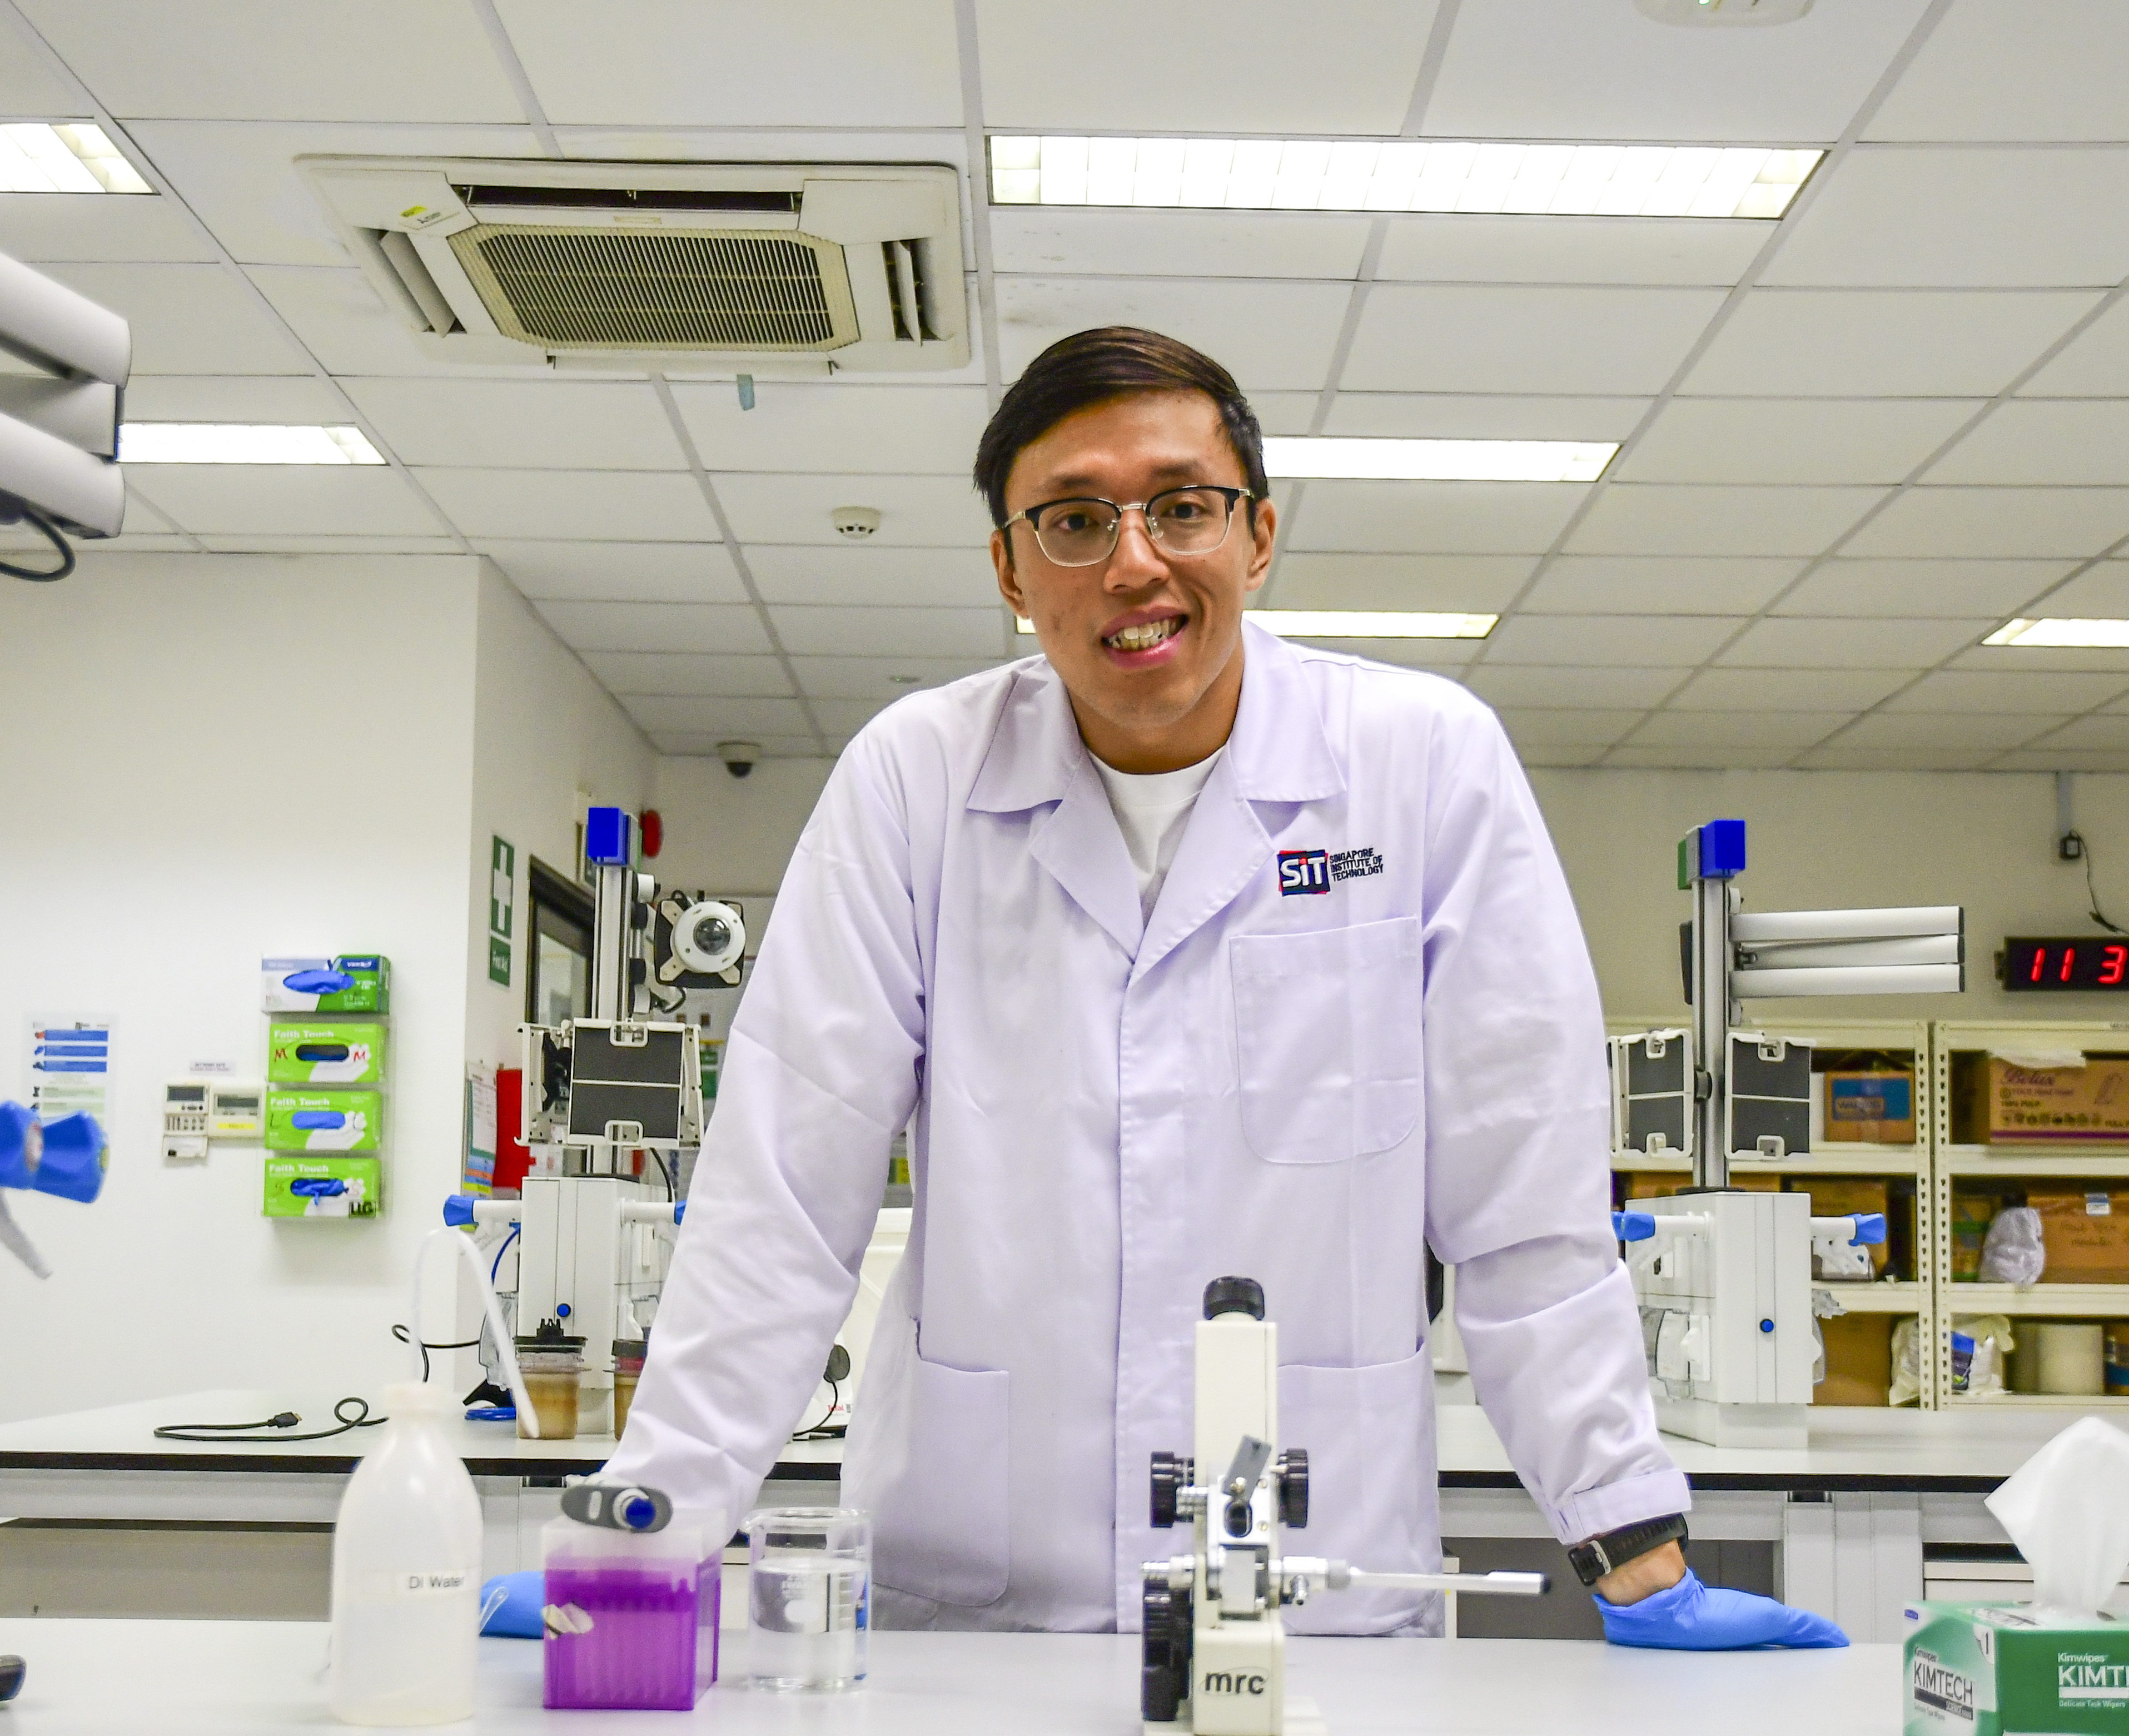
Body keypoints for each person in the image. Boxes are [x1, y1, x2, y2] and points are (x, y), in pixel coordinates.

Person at [610, 326, 1839, 1650]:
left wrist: (1629, 1539)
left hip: (1316, 1589)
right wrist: (643, 1537)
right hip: (980, 1599)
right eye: (1073, 520)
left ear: (1256, 535)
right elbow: (780, 1192)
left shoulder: (1422, 766)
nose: (1132, 561)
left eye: (1181, 507)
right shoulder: (915, 778)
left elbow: (1522, 1201)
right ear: (1010, 570)